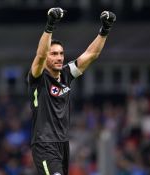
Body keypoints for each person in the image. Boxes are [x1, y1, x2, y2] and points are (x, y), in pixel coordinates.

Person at [26, 7, 116, 175]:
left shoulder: (66, 75)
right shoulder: (38, 78)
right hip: (44, 144)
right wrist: (50, 25)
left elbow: (92, 53)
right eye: (53, 54)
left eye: (61, 53)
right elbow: (40, 56)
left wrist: (105, 30)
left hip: (63, 143)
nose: (59, 57)